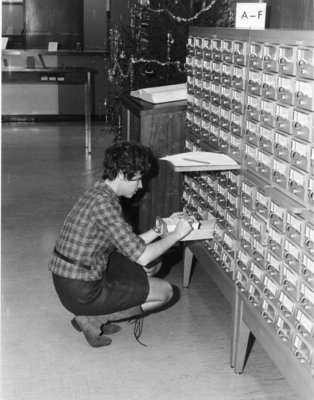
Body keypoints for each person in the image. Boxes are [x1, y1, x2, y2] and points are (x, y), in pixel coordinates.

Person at [48, 141, 193, 347]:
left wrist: (160, 230)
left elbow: (129, 243)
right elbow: (143, 255)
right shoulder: (105, 205)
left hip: (74, 275)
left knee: (153, 266)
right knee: (165, 291)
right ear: (123, 174)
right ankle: (91, 318)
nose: (142, 186)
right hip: (80, 288)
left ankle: (93, 313)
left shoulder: (100, 192)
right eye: (139, 179)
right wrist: (177, 235)